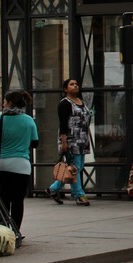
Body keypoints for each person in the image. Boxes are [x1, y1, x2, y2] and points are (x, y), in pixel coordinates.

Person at [0, 90, 38, 242]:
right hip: (21, 166)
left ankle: (3, 231)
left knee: (3, 199)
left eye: (4, 101)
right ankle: (16, 232)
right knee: (17, 200)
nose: (3, 103)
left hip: (1, 165)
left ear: (9, 103)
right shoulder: (29, 120)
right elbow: (35, 143)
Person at [46, 78, 92, 206]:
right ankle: (79, 194)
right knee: (75, 168)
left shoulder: (81, 101)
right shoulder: (65, 103)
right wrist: (64, 141)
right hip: (71, 140)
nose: (75, 86)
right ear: (65, 89)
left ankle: (53, 188)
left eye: (76, 84)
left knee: (77, 166)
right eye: (72, 84)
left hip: (82, 139)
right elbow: (63, 123)